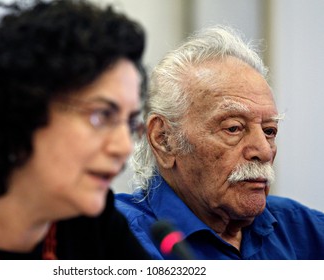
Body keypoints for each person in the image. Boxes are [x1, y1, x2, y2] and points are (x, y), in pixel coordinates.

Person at [0, 0, 150, 260]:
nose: (124, 147)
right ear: (23, 107)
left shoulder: (95, 224)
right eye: (102, 115)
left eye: (130, 123)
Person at [115, 25, 324, 260]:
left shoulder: (305, 231)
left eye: (269, 131)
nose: (264, 151)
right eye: (233, 128)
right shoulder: (112, 239)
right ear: (164, 139)